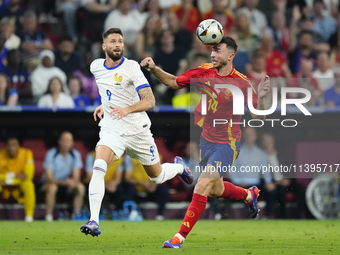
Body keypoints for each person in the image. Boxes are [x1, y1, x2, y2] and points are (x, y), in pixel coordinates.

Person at [141, 35, 271, 248]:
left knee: (201, 185)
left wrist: (263, 97)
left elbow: (260, 118)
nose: (212, 54)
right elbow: (174, 82)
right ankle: (249, 195)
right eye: (212, 50)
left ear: (230, 56)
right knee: (214, 189)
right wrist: (154, 68)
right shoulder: (203, 71)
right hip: (206, 140)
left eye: (217, 51)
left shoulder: (241, 83)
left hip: (227, 144)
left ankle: (179, 237)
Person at [80, 27, 193, 237]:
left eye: (120, 41)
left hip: (138, 131)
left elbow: (150, 101)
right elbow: (110, 91)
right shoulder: (96, 66)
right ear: (104, 46)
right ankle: (94, 220)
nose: (117, 45)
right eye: (113, 41)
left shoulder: (131, 67)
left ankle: (178, 167)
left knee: (157, 178)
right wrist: (105, 106)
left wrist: (127, 109)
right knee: (98, 167)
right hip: (112, 129)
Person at [229, 127, 276, 219]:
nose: (249, 137)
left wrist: (268, 182)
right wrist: (237, 181)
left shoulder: (261, 153)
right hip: (242, 185)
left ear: (255, 136)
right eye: (247, 134)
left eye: (251, 134)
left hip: (257, 184)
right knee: (247, 193)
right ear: (243, 136)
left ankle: (266, 216)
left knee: (272, 191)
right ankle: (253, 216)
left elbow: (265, 169)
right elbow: (232, 169)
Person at [42, 131, 84, 222]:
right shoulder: (51, 154)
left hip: (65, 185)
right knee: (52, 188)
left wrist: (72, 182)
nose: (66, 143)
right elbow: (49, 178)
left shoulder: (75, 154)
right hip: (50, 183)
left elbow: (76, 177)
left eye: (68, 141)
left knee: (80, 187)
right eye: (64, 140)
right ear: (59, 142)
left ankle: (76, 216)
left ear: (72, 143)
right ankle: (48, 216)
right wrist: (65, 182)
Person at [123, 154, 169, 220]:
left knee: (164, 190)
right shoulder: (130, 157)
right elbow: (127, 178)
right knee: (129, 190)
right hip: (137, 186)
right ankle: (132, 214)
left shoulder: (155, 155)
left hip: (151, 186)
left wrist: (154, 184)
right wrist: (142, 184)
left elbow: (160, 175)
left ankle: (160, 216)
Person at [0, 136, 35, 222]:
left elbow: (28, 176)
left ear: (18, 146)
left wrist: (7, 178)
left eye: (14, 145)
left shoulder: (27, 153)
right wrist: (15, 175)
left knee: (29, 185)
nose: (11, 148)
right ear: (5, 147)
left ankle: (29, 217)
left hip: (18, 185)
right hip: (3, 185)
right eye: (9, 145)